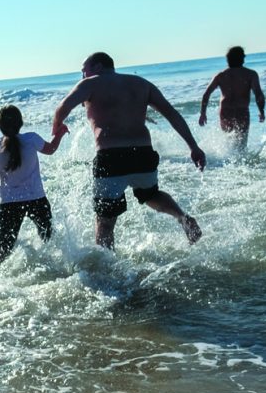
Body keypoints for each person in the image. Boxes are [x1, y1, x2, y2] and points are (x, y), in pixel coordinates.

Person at [52, 52, 205, 250]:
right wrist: (193, 147)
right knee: (151, 194)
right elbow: (171, 114)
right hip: (142, 153)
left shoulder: (89, 84)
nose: (82, 75)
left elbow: (62, 108)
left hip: (111, 157)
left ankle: (107, 271)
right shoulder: (141, 83)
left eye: (84, 70)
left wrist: (56, 130)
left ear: (98, 67)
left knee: (105, 221)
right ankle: (182, 217)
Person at [0, 106, 67, 270]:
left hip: (8, 204)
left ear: (0, 125)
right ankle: (59, 271)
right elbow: (51, 149)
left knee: (4, 248)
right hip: (36, 199)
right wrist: (60, 133)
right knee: (50, 240)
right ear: (20, 122)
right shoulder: (31, 139)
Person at [198, 46, 265, 149]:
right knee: (241, 143)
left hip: (225, 111)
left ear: (228, 59)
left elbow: (206, 94)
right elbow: (258, 94)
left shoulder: (221, 75)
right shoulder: (250, 74)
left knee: (228, 140)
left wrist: (203, 113)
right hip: (242, 111)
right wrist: (261, 111)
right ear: (242, 58)